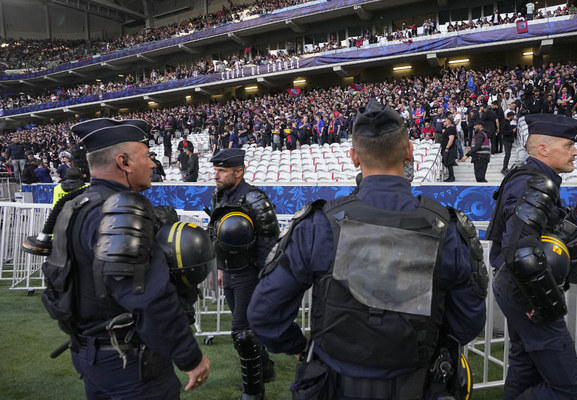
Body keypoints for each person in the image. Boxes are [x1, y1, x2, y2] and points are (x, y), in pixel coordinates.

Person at [247, 99, 488, 399]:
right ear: (409, 151)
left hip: (333, 384)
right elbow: (468, 321)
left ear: (354, 158)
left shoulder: (318, 226)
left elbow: (264, 313)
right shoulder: (449, 229)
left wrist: (301, 348)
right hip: (418, 384)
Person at [55, 118, 210, 398]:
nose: (153, 164)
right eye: (146, 156)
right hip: (130, 363)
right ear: (124, 162)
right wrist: (190, 357)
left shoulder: (77, 205)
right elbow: (148, 296)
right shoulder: (120, 211)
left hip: (91, 353)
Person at [486, 114, 577, 400]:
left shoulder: (533, 179)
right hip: (526, 291)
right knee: (572, 391)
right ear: (543, 149)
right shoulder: (534, 183)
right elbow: (521, 251)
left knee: (525, 367)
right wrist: (543, 301)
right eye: (569, 144)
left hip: (517, 287)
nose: (575, 151)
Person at [208, 148, 279, 400]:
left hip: (250, 275)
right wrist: (219, 267)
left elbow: (270, 244)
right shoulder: (219, 195)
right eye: (215, 170)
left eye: (221, 170)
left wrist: (264, 279)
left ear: (239, 171)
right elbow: (215, 234)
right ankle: (267, 369)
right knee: (245, 328)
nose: (215, 175)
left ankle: (253, 392)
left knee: (242, 332)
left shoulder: (255, 199)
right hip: (228, 272)